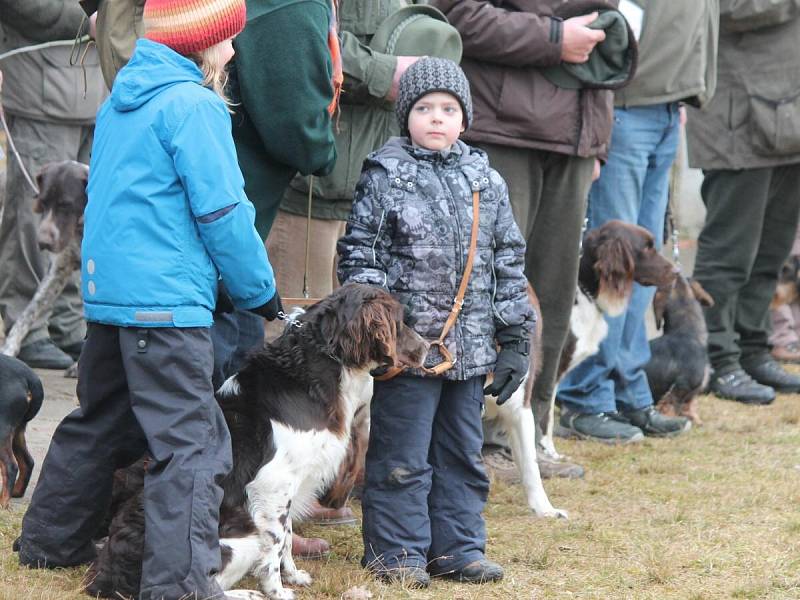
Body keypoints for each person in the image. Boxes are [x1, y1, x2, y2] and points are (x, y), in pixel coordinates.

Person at [15, 2, 281, 599]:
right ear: (200, 43)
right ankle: (180, 582)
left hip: (110, 298)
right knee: (192, 444)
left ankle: (49, 542)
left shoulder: (119, 101)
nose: (234, 52)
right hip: (166, 308)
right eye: (227, 40)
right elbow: (223, 212)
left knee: (100, 420)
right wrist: (258, 292)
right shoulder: (196, 105)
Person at [338, 57, 535, 587]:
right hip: (408, 353)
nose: (436, 118)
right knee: (401, 455)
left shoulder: (485, 179)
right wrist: (376, 336)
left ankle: (457, 547)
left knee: (461, 454)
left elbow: (506, 259)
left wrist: (515, 334)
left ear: (464, 119)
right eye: (424, 108)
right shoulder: (385, 174)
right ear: (406, 115)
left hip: (470, 353)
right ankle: (396, 553)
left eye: (448, 109)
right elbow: (361, 256)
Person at [429, 0, 621, 478]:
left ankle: (527, 440)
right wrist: (555, 40)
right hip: (504, 128)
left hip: (574, 134)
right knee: (485, 286)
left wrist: (595, 137)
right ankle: (473, 442)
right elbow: (456, 16)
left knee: (554, 296)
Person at [556, 1, 718, 442]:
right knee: (613, 265)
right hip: (625, 103)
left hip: (667, 105)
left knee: (644, 268)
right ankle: (584, 396)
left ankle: (630, 390)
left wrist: (685, 90)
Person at [687, 1, 800, 405]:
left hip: (789, 112)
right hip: (737, 115)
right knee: (729, 253)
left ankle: (753, 348)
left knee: (771, 252)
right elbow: (718, 9)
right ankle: (717, 357)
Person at [0, 0, 107, 369]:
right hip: (37, 87)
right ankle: (27, 329)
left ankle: (68, 324)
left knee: (79, 223)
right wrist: (94, 18)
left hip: (94, 89)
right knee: (35, 219)